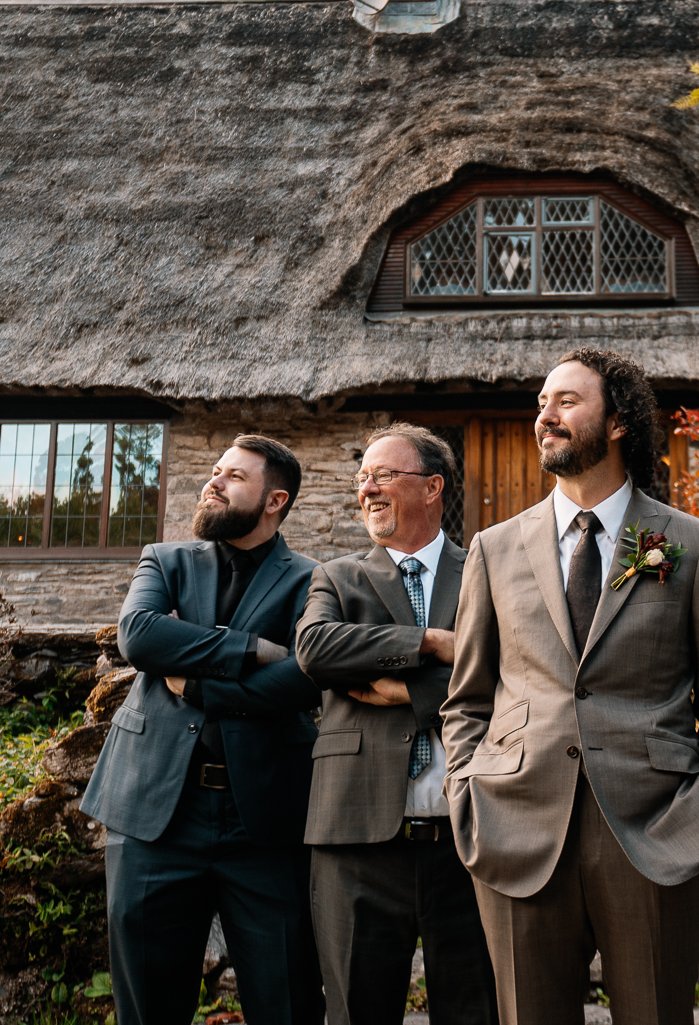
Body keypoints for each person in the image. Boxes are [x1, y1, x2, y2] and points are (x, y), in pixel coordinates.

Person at [441, 348, 699, 1025]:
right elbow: (467, 696)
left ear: (618, 422)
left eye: (565, 402)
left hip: (654, 834)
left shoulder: (694, 546)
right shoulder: (493, 549)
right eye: (540, 404)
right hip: (515, 826)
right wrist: (467, 791)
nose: (544, 418)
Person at [81, 435, 325, 1025]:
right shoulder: (163, 560)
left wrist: (192, 680)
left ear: (275, 500)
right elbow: (139, 636)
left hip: (265, 819)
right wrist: (250, 649)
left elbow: (304, 679)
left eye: (234, 476)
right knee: (148, 1008)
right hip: (153, 811)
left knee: (287, 1002)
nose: (213, 481)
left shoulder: (317, 581)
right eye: (215, 471)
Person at [296, 422, 499, 1025]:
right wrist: (431, 643)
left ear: (432, 486)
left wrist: (404, 694)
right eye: (362, 479)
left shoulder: (489, 571)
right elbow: (317, 650)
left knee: (477, 1013)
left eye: (382, 475)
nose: (367, 489)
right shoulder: (335, 577)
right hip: (355, 840)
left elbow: (514, 674)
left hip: (471, 842)